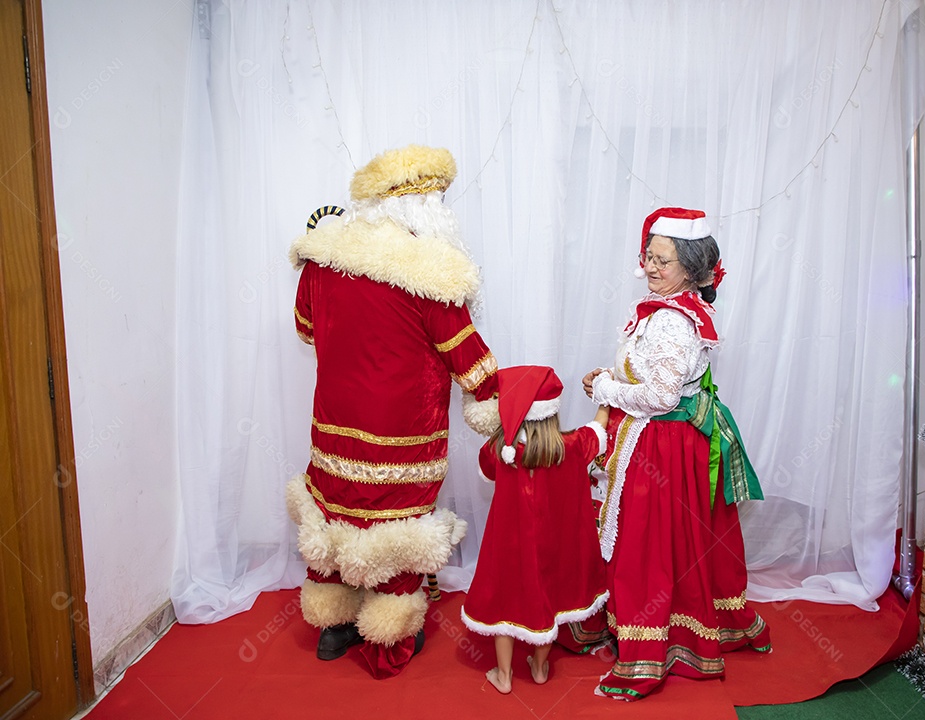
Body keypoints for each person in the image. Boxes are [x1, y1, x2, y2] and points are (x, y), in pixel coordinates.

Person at [286, 145, 500, 678]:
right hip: (403, 431)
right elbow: (466, 357)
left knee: (334, 510)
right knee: (395, 523)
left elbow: (305, 328)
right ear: (424, 204)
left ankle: (333, 628)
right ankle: (389, 637)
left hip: (334, 423)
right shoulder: (430, 270)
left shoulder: (323, 257)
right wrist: (495, 395)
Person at [582, 207, 771, 700]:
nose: (651, 267)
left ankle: (647, 655)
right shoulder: (666, 308)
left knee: (646, 545)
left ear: (689, 267)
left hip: (659, 446)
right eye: (648, 256)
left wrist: (604, 386)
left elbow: (663, 396)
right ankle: (653, 629)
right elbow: (653, 380)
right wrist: (615, 379)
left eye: (662, 260)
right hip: (661, 443)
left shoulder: (671, 321)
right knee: (662, 543)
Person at [461, 366, 610, 695]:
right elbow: (599, 429)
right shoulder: (570, 446)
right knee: (550, 602)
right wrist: (605, 393)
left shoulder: (500, 450)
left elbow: (486, 474)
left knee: (504, 607)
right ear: (552, 411)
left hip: (508, 548)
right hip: (552, 548)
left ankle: (503, 676)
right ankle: (540, 668)